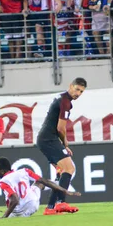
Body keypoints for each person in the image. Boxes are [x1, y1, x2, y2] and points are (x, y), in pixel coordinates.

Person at [36, 77, 87, 215]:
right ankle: (60, 203)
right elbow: (60, 128)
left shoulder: (62, 98)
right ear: (70, 86)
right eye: (77, 89)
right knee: (69, 168)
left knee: (61, 171)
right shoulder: (66, 102)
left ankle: (50, 208)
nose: (78, 93)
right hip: (48, 139)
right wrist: (65, 143)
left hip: (45, 139)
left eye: (81, 92)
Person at [0, 157, 81, 218]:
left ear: (2, 171)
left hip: (19, 213)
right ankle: (53, 201)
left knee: (12, 210)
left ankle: (54, 201)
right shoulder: (24, 171)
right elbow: (44, 181)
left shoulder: (3, 182)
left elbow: (15, 200)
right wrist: (64, 190)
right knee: (40, 183)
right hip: (33, 205)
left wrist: (4, 216)